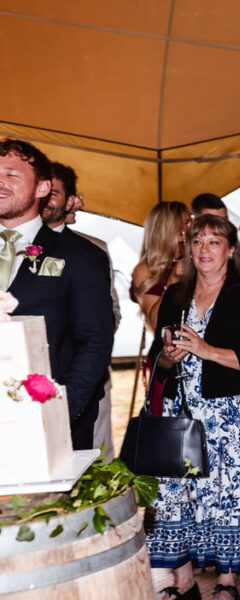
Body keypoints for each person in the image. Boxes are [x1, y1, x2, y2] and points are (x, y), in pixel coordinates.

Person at [146, 214, 240, 600]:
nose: (204, 249)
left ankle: (226, 581)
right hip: (180, 409)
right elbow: (157, 355)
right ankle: (183, 585)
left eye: (214, 242)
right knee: (175, 495)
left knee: (225, 497)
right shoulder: (175, 295)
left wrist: (206, 350)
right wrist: (166, 358)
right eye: (198, 241)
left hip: (227, 417)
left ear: (231, 251)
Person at [0, 138, 114, 450]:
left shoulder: (79, 256)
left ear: (42, 188)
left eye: (11, 175)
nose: (0, 182)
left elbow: (94, 341)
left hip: (48, 422)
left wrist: (60, 411)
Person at [43, 161, 121, 452]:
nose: (48, 200)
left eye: (56, 193)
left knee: (91, 457)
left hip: (80, 377)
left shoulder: (91, 250)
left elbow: (110, 314)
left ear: (71, 200)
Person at [132, 201, 191, 330]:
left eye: (191, 222)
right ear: (167, 227)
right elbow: (155, 323)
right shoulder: (145, 269)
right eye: (185, 223)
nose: (190, 228)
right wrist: (173, 279)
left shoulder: (196, 260)